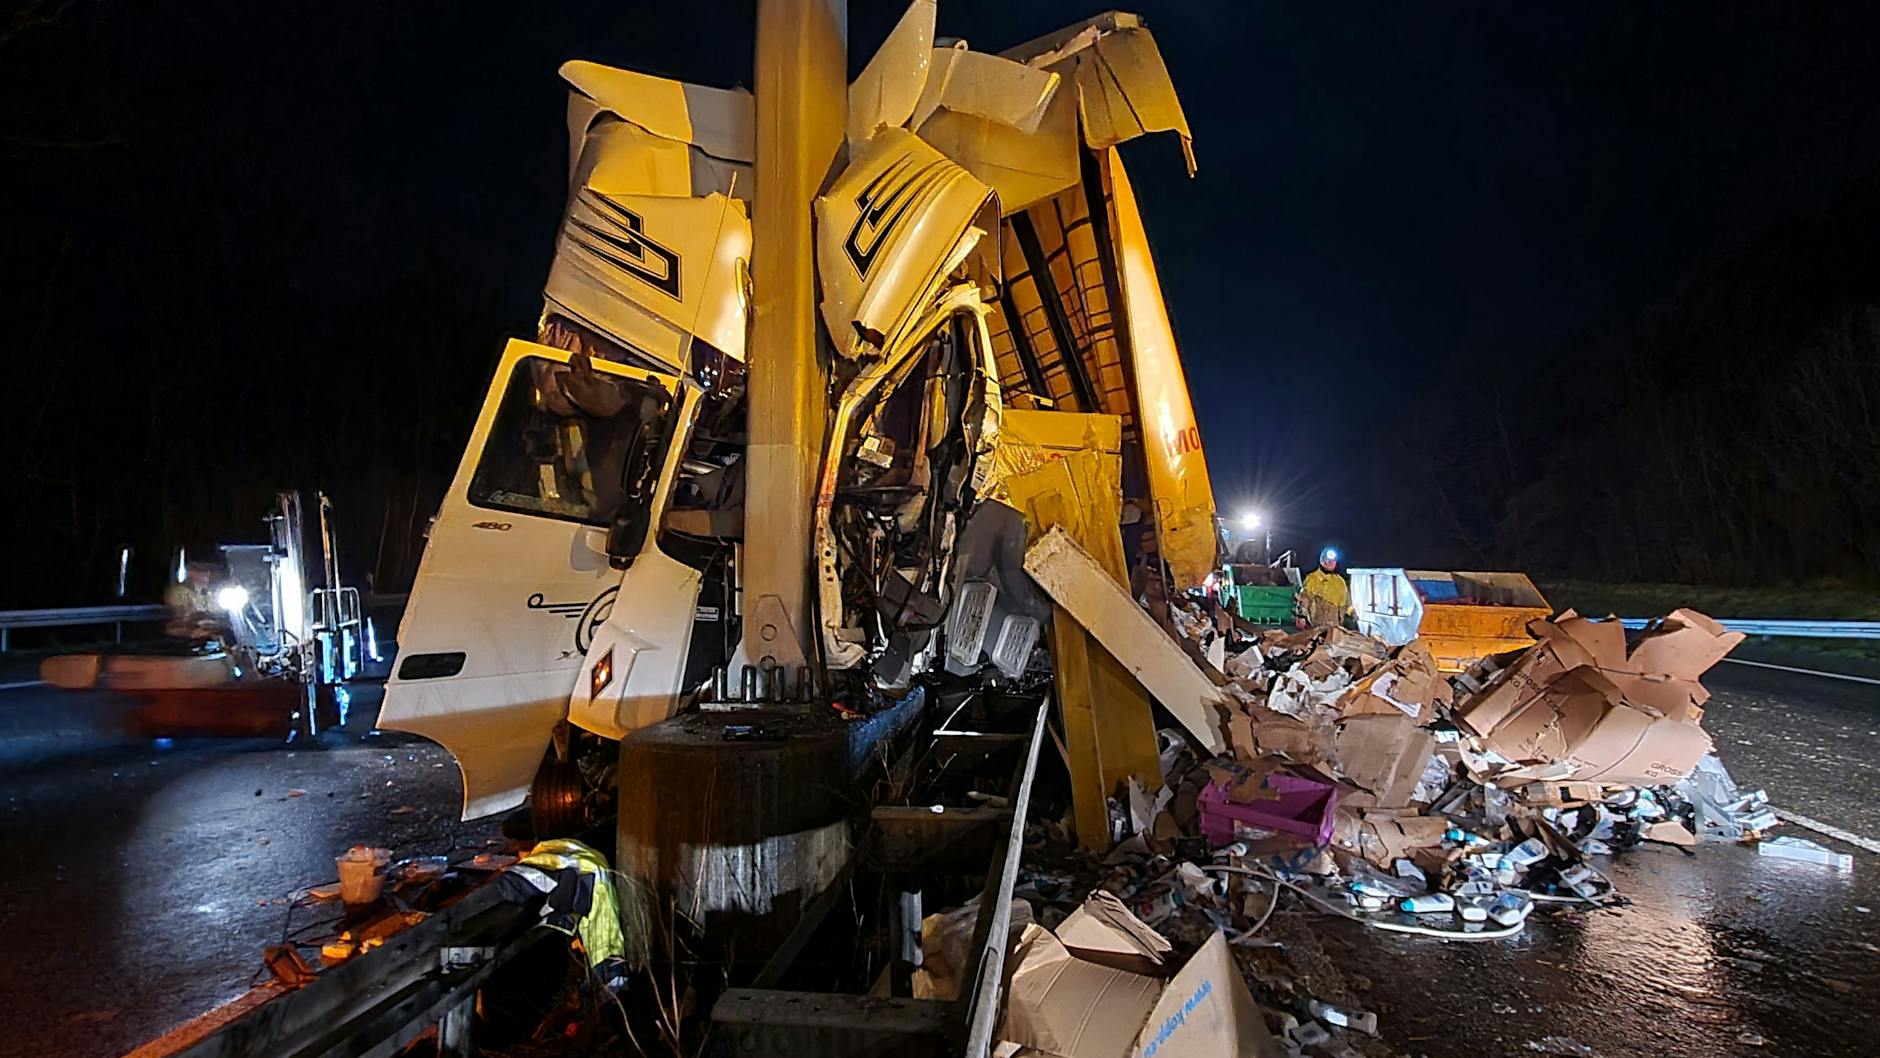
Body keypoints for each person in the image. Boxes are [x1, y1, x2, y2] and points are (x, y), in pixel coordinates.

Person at [1298, 546, 1352, 628]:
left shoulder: (1340, 581)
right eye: (1328, 560)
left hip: (1336, 626)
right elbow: (1304, 599)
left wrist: (1351, 615)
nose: (1331, 563)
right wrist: (1302, 616)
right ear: (1322, 561)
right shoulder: (1313, 579)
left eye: (1333, 561)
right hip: (1316, 626)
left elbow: (1347, 602)